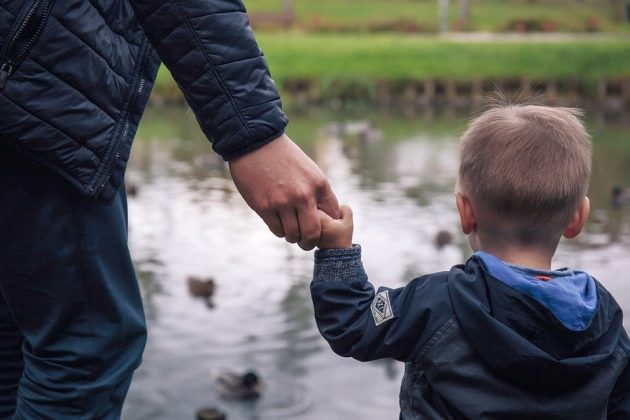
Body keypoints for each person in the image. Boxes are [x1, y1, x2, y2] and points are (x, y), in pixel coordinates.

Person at [0, 1, 338, 418]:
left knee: (13, 334)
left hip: (25, 79)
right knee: (84, 347)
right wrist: (254, 134)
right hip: (36, 91)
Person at [310, 102, 630, 419]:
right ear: (578, 218)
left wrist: (337, 250)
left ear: (465, 213)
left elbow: (354, 324)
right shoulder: (604, 320)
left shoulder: (437, 303)